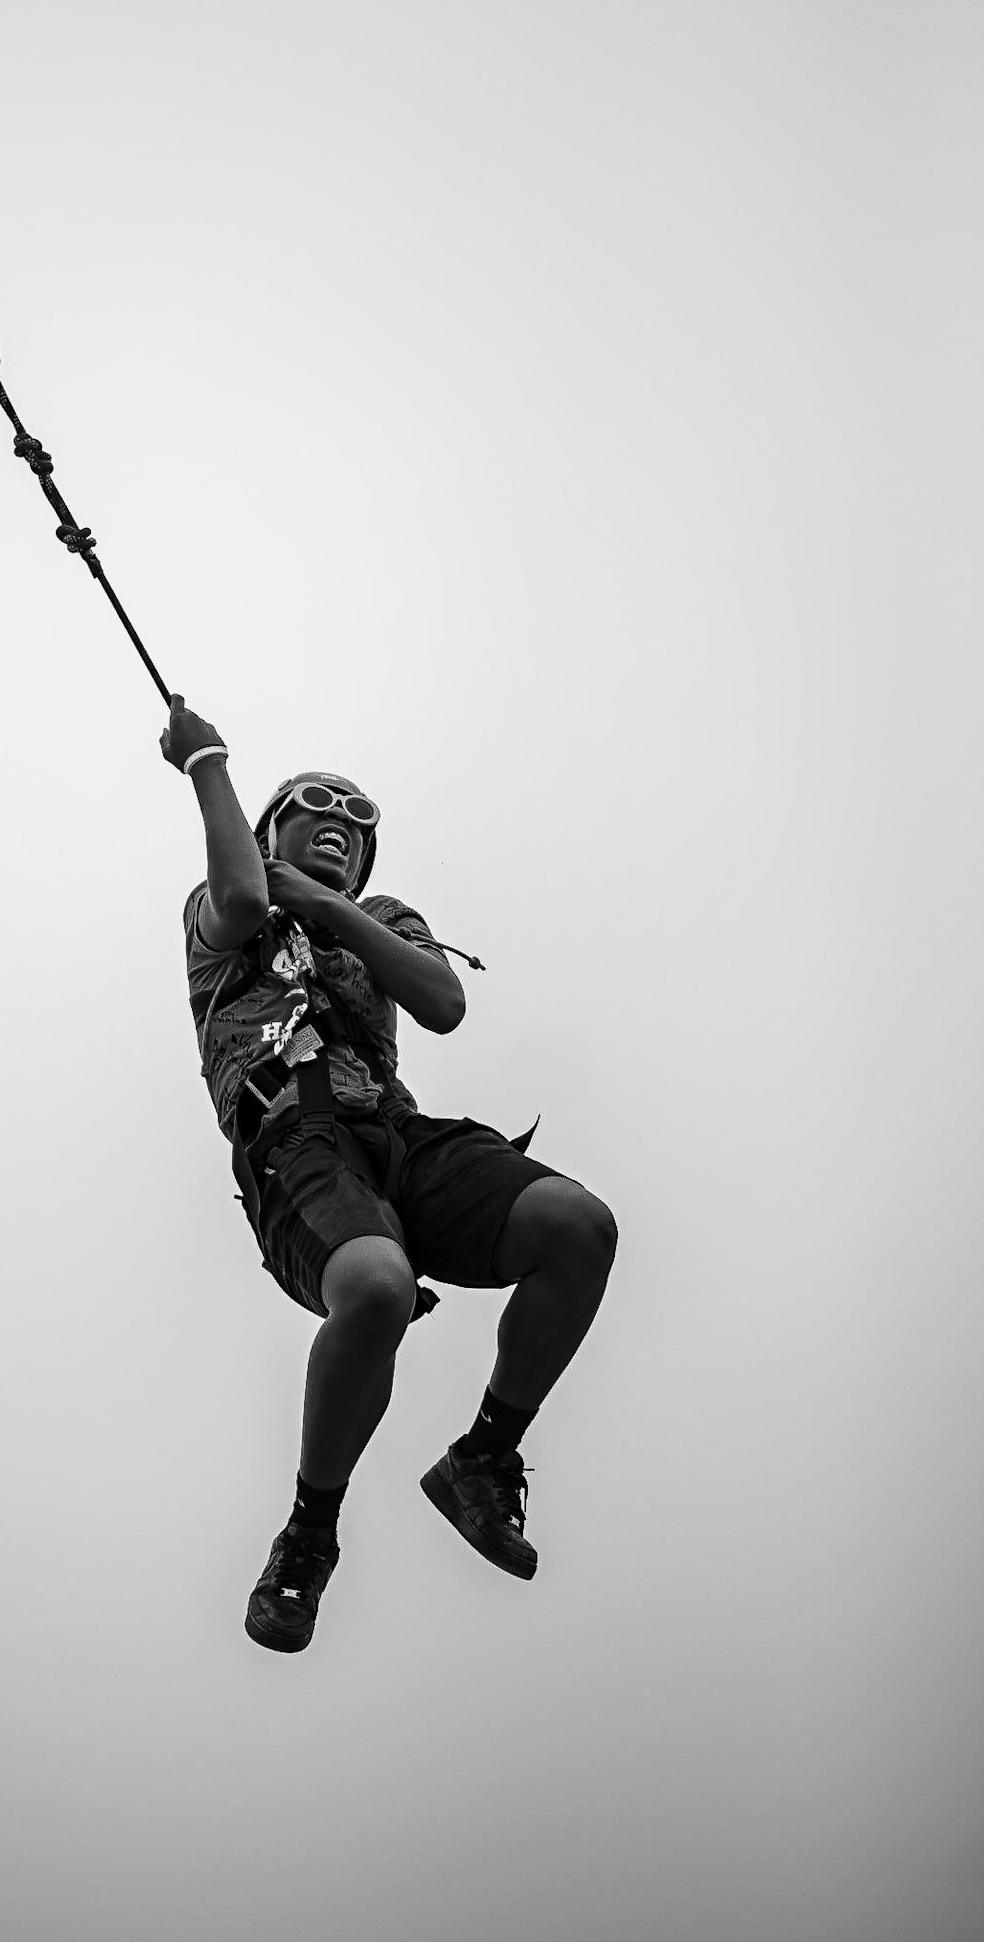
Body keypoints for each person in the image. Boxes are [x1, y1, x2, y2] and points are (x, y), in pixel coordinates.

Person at [163, 695, 618, 1653]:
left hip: (402, 1138)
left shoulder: (381, 918)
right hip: (298, 1138)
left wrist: (325, 904)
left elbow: (442, 1000)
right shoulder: (219, 912)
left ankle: (483, 1458)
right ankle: (309, 1535)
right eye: (313, 804)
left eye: (360, 821)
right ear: (267, 829)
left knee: (579, 1226)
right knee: (374, 1289)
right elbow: (246, 900)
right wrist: (208, 762)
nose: (341, 818)